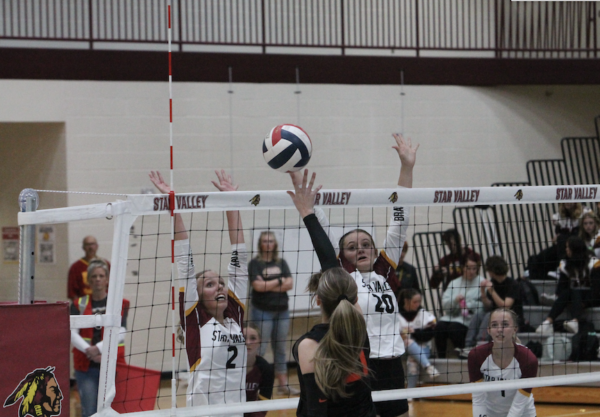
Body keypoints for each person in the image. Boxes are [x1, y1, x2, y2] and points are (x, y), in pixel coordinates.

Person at [308, 133, 416, 417]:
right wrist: (308, 199)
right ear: (343, 255)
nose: (361, 249)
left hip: (393, 361)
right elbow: (323, 233)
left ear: (375, 249)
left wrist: (407, 167)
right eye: (352, 247)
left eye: (366, 244)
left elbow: (400, 219)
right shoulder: (343, 275)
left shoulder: (385, 269)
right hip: (359, 361)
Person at [150, 170, 248, 409]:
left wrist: (232, 202)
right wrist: (173, 205)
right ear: (199, 296)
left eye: (221, 282)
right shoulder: (196, 321)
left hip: (237, 412)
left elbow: (240, 258)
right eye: (210, 284)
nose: (220, 287)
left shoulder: (235, 315)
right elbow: (185, 262)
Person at [288, 170, 375, 417]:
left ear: (318, 300)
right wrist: (308, 212)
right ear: (354, 298)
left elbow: (317, 410)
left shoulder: (309, 345)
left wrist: (307, 211)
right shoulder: (358, 328)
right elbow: (330, 264)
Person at [71, 260, 129, 417]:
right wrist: (89, 351)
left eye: (101, 276)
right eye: (94, 276)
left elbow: (121, 331)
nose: (97, 279)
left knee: (116, 410)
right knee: (90, 411)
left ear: (107, 279)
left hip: (112, 366)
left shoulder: (119, 303)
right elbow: (72, 333)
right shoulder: (79, 304)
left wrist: (99, 349)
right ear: (88, 280)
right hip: (86, 366)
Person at [248, 231, 297, 395]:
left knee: (281, 349)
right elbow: (258, 287)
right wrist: (280, 281)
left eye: (270, 241)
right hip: (262, 312)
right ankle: (255, 384)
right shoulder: (255, 264)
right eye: (265, 241)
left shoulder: (281, 262)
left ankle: (283, 385)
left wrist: (267, 284)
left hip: (282, 311)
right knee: (259, 349)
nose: (268, 244)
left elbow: (290, 284)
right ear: (260, 244)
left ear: (274, 244)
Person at [468, 308, 538, 417]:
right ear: (488, 330)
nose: (499, 329)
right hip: (490, 414)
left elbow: (518, 405)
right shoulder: (476, 356)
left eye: (505, 324)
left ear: (515, 329)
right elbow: (478, 399)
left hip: (522, 413)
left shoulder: (528, 360)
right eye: (494, 325)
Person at [461, 255, 528, 357]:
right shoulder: (493, 283)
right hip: (497, 316)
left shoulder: (513, 284)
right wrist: (483, 292)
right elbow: (488, 306)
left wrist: (492, 291)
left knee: (490, 316)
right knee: (478, 315)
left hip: (512, 319)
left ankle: (481, 344)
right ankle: (468, 345)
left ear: (492, 271)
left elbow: (506, 306)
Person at [536, 236, 600, 335]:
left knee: (574, 290)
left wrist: (583, 303)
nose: (566, 249)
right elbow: (562, 287)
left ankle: (574, 321)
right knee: (569, 291)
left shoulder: (593, 263)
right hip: (574, 296)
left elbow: (597, 290)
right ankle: (548, 322)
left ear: (575, 249)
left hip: (593, 297)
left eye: (568, 247)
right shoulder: (566, 264)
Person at [434, 253, 485, 358]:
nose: (471, 271)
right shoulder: (454, 283)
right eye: (468, 268)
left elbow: (483, 305)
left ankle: (464, 354)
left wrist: (468, 304)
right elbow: (445, 304)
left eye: (474, 268)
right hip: (452, 315)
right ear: (462, 267)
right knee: (439, 326)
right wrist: (455, 301)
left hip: (469, 318)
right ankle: (441, 357)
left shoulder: (482, 282)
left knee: (454, 328)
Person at [527, 202, 589, 281]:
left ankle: (561, 269)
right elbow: (558, 233)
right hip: (562, 246)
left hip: (578, 246)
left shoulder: (584, 213)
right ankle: (531, 272)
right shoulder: (559, 216)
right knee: (537, 258)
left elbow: (583, 233)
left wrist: (562, 236)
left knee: (562, 239)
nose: (567, 202)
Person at [397, 288, 439, 388]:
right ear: (406, 301)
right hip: (402, 349)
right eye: (415, 302)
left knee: (412, 360)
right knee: (407, 341)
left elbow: (430, 334)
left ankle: (410, 392)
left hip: (423, 348)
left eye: (419, 301)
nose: (418, 304)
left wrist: (414, 332)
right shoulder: (397, 315)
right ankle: (428, 366)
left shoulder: (424, 314)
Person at [244, 322, 274, 417]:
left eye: (253, 338)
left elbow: (263, 405)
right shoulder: (226, 367)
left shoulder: (266, 369)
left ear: (260, 342)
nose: (248, 342)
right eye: (243, 338)